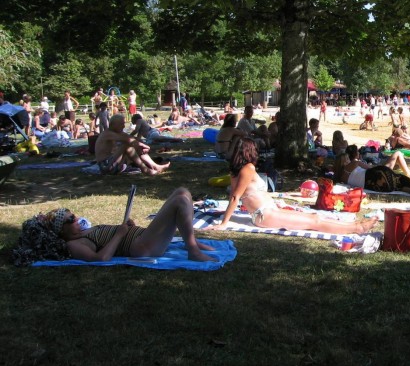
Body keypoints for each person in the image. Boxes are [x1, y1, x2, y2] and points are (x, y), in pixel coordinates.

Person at [208, 138, 379, 233]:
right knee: (314, 221)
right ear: (249, 152)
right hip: (265, 215)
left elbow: (241, 195)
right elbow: (235, 197)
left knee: (313, 217)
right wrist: (224, 223)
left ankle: (357, 226)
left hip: (268, 211)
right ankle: (358, 228)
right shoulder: (248, 168)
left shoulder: (236, 171)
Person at [11, 188, 216, 266]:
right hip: (141, 248)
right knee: (180, 201)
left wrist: (127, 226)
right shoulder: (75, 245)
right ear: (60, 232)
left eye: (72, 215)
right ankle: (192, 250)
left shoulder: (82, 232)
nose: (76, 219)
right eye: (69, 219)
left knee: (183, 192)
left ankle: (192, 242)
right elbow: (100, 259)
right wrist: (119, 234)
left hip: (142, 237)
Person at [94, 114, 170, 175]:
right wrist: (143, 145)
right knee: (127, 145)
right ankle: (146, 170)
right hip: (106, 166)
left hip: (114, 163)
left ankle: (155, 166)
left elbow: (131, 138)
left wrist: (140, 144)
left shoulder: (116, 132)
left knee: (134, 145)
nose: (124, 126)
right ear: (115, 125)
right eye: (122, 124)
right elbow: (128, 140)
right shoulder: (108, 134)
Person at [340, 144, 410, 190]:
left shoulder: (345, 174)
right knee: (398, 157)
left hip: (372, 180)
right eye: (346, 159)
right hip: (375, 175)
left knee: (397, 181)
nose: (347, 161)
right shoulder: (353, 164)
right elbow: (370, 168)